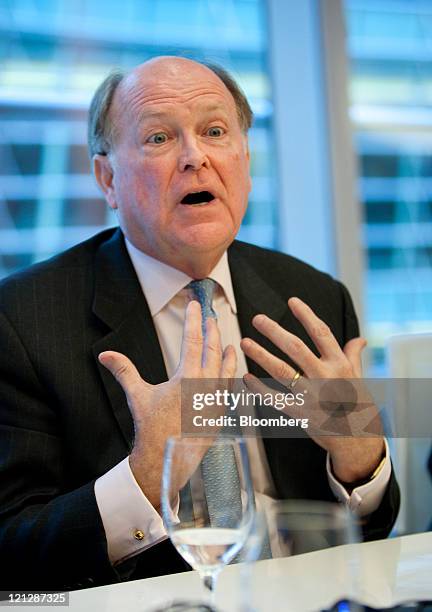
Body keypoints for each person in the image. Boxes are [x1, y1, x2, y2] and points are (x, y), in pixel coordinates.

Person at [0, 57, 399, 592]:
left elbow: (373, 527)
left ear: (246, 160)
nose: (195, 157)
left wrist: (360, 460)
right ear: (107, 178)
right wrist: (143, 476)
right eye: (159, 138)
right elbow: (14, 555)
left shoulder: (316, 298)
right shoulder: (24, 321)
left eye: (215, 131)